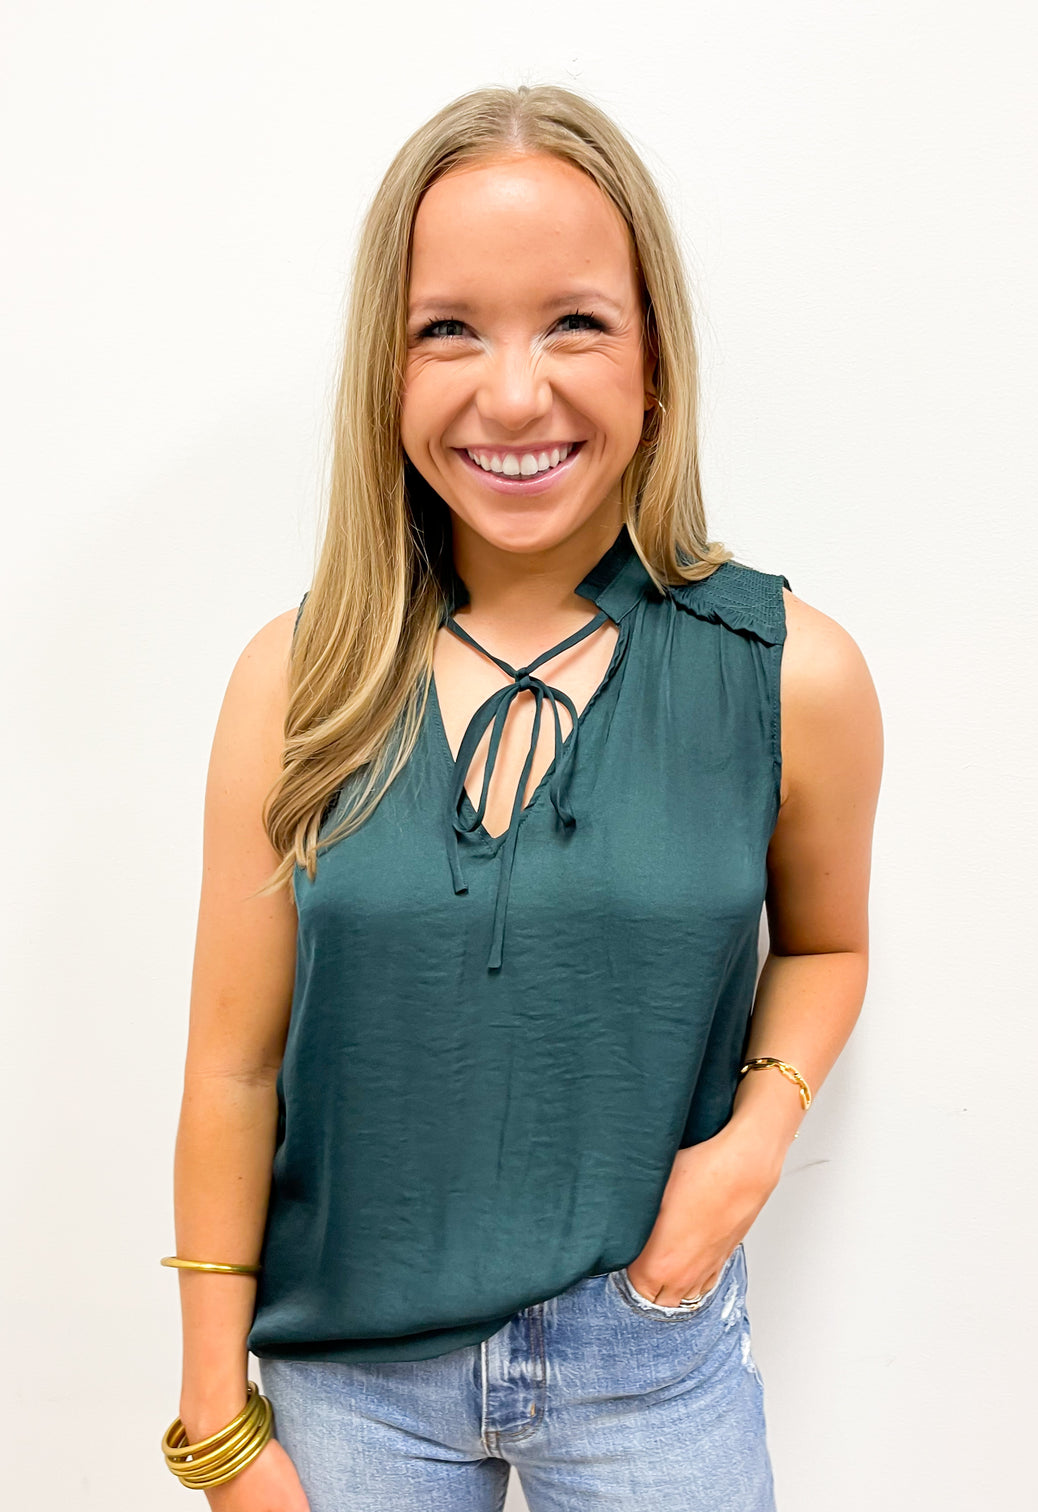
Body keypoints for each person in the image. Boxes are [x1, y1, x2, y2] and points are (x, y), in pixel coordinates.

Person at [159, 84, 883, 1512]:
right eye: (448, 328)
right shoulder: (293, 681)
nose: (511, 394)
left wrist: (749, 1150)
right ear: (386, 369)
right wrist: (214, 1423)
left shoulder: (790, 672)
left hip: (653, 1357)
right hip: (349, 1384)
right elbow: (233, 1070)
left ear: (655, 356)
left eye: (574, 323)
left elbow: (828, 945)